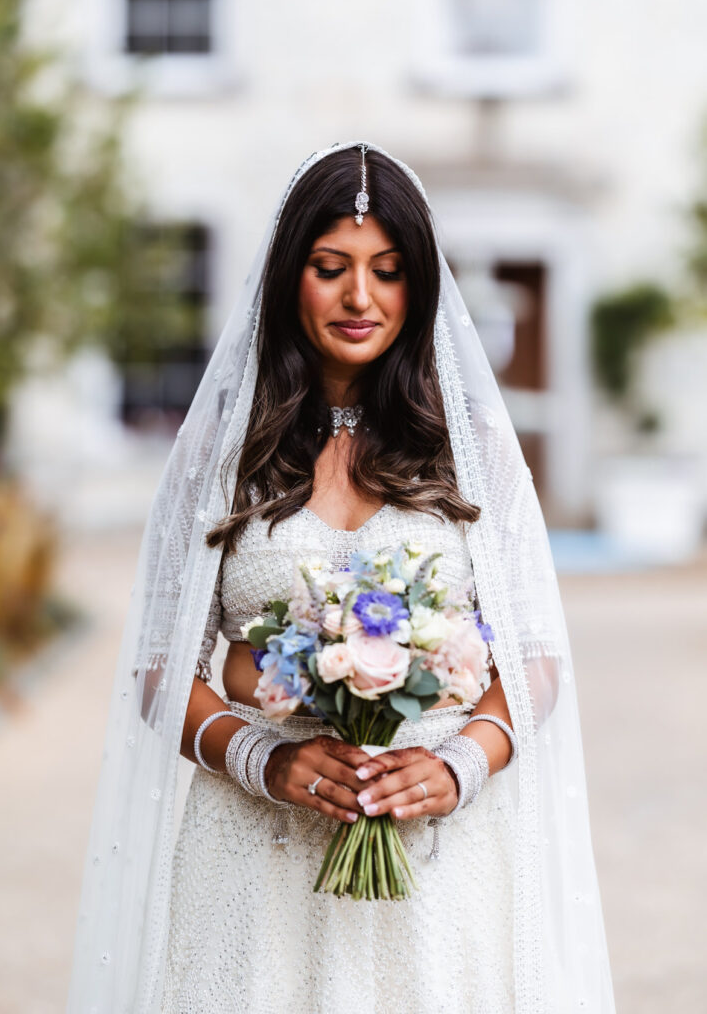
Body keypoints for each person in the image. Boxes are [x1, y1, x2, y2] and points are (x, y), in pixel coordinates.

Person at [68, 143, 615, 1014]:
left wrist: (464, 765)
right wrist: (261, 759)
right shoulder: (222, 456)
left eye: (388, 271)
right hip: (256, 856)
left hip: (443, 857)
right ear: (292, 277)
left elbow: (539, 660)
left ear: (419, 286)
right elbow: (161, 669)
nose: (361, 297)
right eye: (332, 268)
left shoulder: (471, 452)